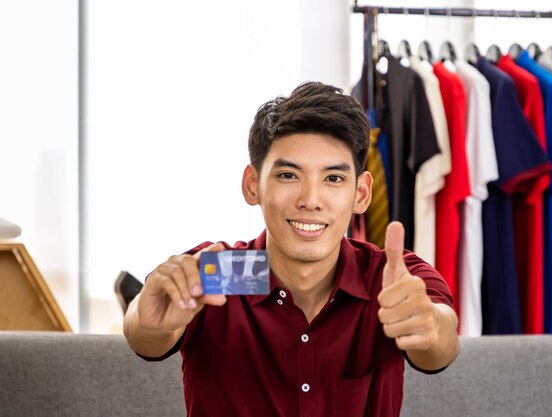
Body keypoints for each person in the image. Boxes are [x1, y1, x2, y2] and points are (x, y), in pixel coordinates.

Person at [123, 82, 459, 417]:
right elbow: (147, 334)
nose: (310, 200)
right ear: (253, 185)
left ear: (361, 194)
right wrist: (150, 324)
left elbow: (442, 345)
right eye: (287, 175)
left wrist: (428, 325)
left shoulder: (390, 279)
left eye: (333, 179)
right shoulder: (222, 273)